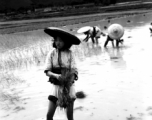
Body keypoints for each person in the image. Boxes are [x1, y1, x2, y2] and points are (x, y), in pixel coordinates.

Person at [44, 27, 81, 120]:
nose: (58, 42)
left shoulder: (70, 54)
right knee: (49, 115)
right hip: (56, 86)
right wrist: (56, 76)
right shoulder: (51, 54)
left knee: (69, 115)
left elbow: (74, 70)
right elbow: (47, 71)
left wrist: (67, 83)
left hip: (68, 87)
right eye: (56, 40)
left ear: (66, 42)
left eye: (60, 40)